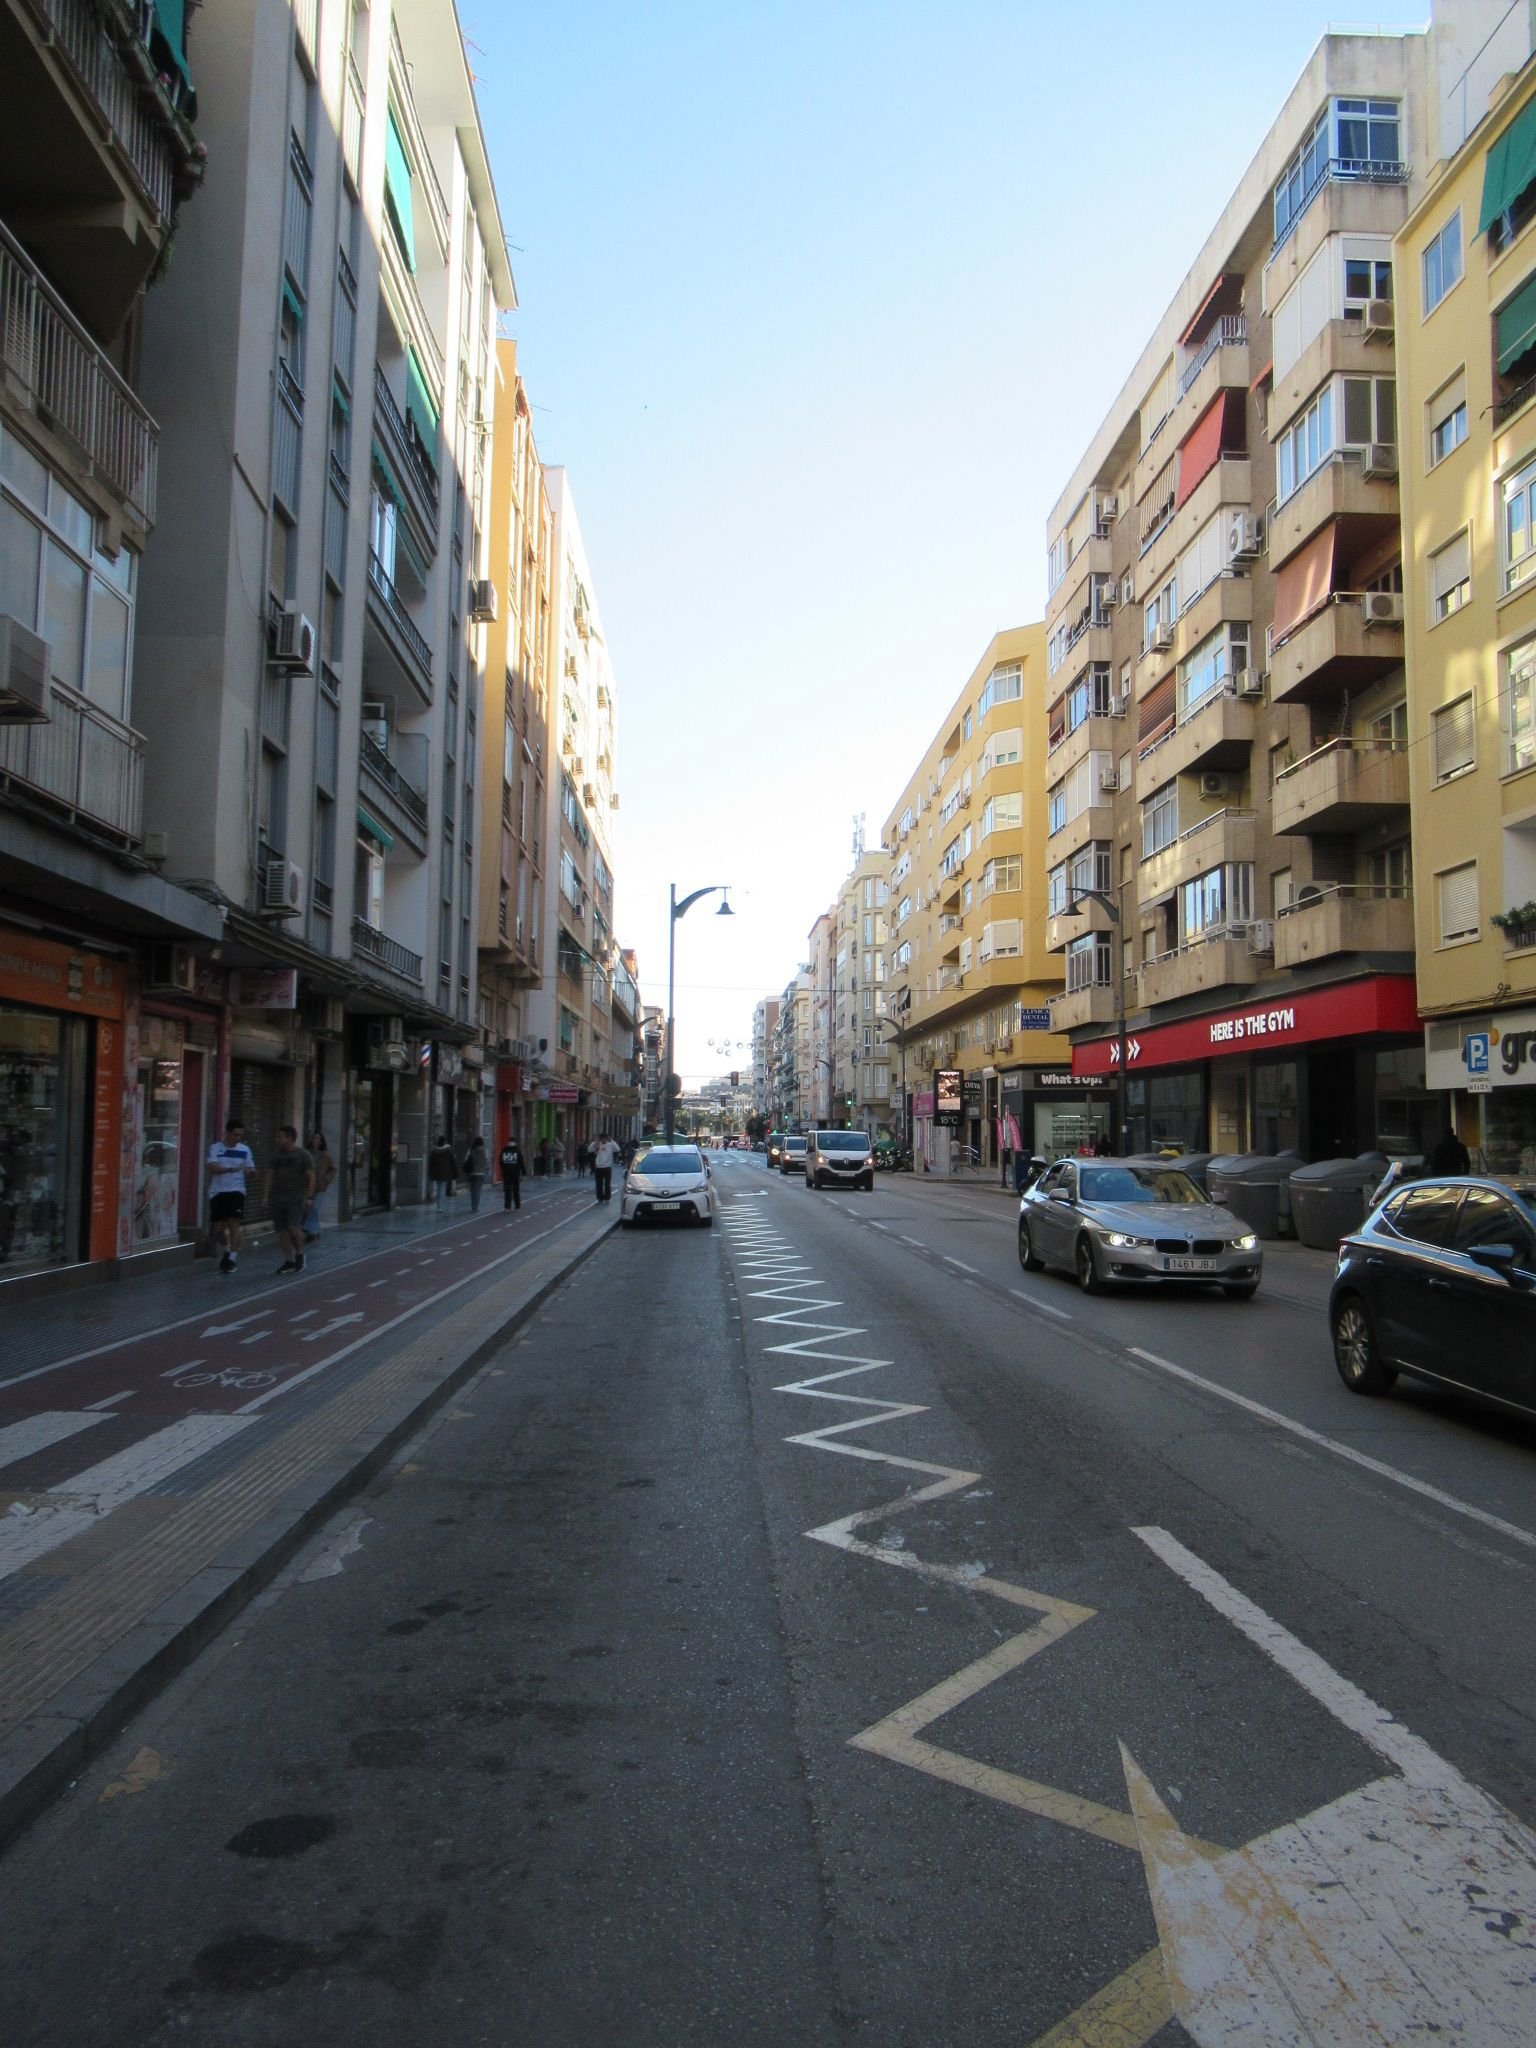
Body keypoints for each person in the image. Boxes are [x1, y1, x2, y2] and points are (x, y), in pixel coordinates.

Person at [207, 1118, 256, 1274]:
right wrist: (230, 1169)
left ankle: (232, 1259)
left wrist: (251, 1172)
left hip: (237, 1191)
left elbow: (249, 1168)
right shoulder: (215, 1148)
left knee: (235, 1225)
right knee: (218, 1229)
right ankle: (227, 1248)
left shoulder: (245, 1149)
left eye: (240, 1136)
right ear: (227, 1133)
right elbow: (212, 1167)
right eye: (235, 1135)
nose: (238, 1139)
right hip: (218, 1191)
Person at [265, 1125, 315, 1274]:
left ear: (289, 1138)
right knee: (282, 1230)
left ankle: (300, 1253)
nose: (277, 1139)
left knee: (293, 1227)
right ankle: (288, 1260)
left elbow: (311, 1176)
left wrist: (310, 1196)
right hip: (277, 1196)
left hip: (296, 1196)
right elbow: (270, 1175)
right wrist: (265, 1196)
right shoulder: (275, 1156)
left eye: (280, 1137)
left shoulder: (303, 1155)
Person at [304, 1130, 337, 1242]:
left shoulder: (325, 1155)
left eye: (318, 1138)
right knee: (309, 1209)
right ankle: (315, 1230)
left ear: (321, 1141)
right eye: (314, 1138)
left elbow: (333, 1169)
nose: (315, 1141)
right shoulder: (306, 1153)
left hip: (320, 1186)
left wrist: (326, 1179)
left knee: (315, 1209)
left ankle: (309, 1231)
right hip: (307, 1186)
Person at [427, 1135, 457, 1212]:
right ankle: (440, 1206)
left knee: (439, 1188)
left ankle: (438, 1206)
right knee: (442, 1189)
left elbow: (430, 1162)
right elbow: (452, 1161)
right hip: (445, 1172)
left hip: (436, 1172)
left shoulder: (434, 1150)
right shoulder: (448, 1150)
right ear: (444, 1142)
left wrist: (430, 1172)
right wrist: (455, 1171)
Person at [462, 1134, 489, 1212]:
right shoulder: (485, 1151)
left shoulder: (470, 1150)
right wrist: (486, 1170)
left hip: (472, 1173)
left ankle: (473, 1206)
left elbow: (465, 1160)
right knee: (477, 1191)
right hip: (481, 1173)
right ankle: (475, 1208)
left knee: (473, 1191)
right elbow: (487, 1161)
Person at [499, 1134, 524, 1211]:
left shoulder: (504, 1150)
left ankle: (507, 1207)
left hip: (506, 1173)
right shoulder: (517, 1150)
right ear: (515, 1142)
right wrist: (523, 1171)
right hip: (515, 1173)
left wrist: (504, 1168)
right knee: (516, 1189)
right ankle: (517, 1206)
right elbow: (521, 1162)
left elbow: (500, 1161)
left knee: (507, 1190)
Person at [593, 1132, 618, 1203]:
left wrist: (612, 1141)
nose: (603, 1140)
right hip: (598, 1167)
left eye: (605, 1138)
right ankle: (600, 1198)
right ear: (600, 1139)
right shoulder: (598, 1144)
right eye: (602, 1139)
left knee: (607, 1183)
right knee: (599, 1184)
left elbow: (617, 1149)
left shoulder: (610, 1145)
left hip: (607, 1167)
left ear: (607, 1139)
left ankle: (607, 1197)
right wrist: (596, 1143)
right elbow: (589, 1149)